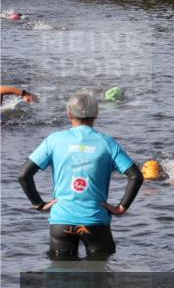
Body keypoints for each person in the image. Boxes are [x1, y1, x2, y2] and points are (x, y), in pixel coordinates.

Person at [18, 92, 143, 259]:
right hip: (95, 222)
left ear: (69, 113)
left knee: (61, 278)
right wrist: (121, 208)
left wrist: (39, 204)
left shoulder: (54, 140)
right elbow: (135, 176)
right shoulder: (107, 143)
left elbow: (24, 175)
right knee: (99, 279)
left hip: (61, 221)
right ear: (96, 114)